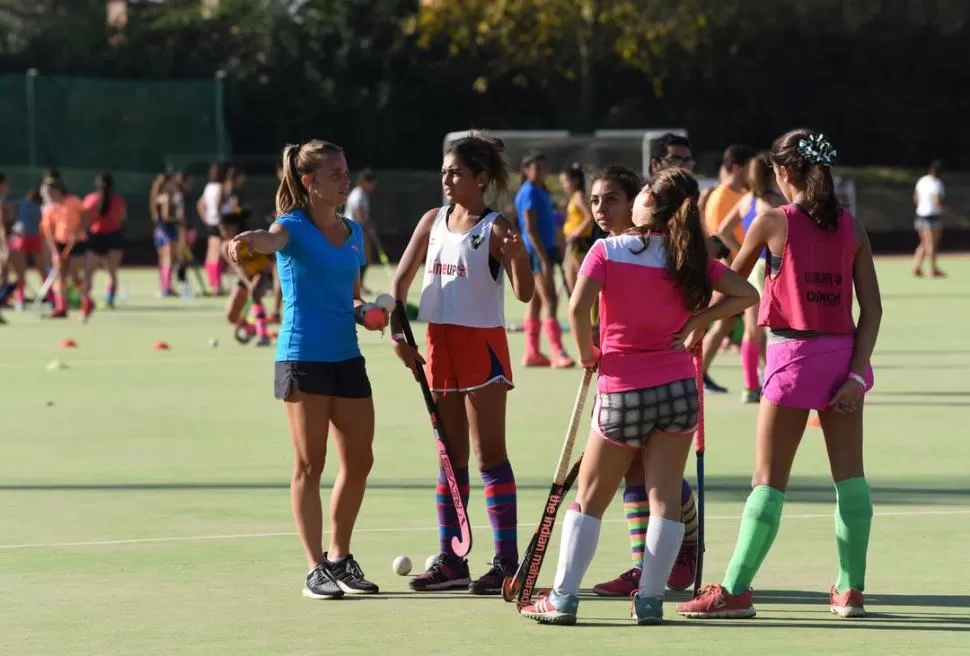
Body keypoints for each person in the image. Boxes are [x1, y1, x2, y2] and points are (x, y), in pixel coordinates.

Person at [520, 168, 758, 626]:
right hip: (676, 390)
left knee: (589, 497)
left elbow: (576, 307)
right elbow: (746, 293)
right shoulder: (688, 257)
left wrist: (590, 353)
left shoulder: (607, 250)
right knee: (665, 497)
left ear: (648, 203)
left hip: (622, 389)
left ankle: (564, 597)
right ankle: (649, 600)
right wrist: (696, 322)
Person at [678, 130, 882, 620]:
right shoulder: (852, 226)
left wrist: (697, 324)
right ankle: (850, 591)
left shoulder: (772, 221)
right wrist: (855, 377)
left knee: (768, 483)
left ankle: (735, 591)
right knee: (850, 480)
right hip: (842, 361)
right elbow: (872, 310)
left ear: (783, 172)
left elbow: (727, 286)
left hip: (791, 361)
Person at [226, 140, 386, 599]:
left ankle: (340, 557)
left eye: (345, 171)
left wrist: (367, 312)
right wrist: (249, 241)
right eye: (334, 173)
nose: (344, 180)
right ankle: (315, 567)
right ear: (309, 182)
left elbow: (352, 295)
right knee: (310, 465)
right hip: (302, 357)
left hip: (346, 357)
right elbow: (269, 241)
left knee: (360, 460)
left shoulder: (352, 232)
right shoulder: (290, 226)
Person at [389, 132, 534, 594]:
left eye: (456, 172)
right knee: (449, 460)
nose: (447, 179)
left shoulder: (495, 227)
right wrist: (397, 334)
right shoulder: (432, 220)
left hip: (481, 347)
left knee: (489, 456)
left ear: (481, 178)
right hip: (438, 346)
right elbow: (399, 283)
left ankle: (507, 564)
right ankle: (452, 560)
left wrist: (520, 259)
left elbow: (525, 293)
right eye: (445, 172)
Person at [592, 158, 708, 599]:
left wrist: (697, 322)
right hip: (621, 371)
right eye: (595, 201)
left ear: (642, 205)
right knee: (636, 473)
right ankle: (645, 565)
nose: (601, 210)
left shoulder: (671, 247)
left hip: (656, 375)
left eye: (614, 200)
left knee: (654, 474)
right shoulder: (605, 246)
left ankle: (677, 548)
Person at [717, 154, 786, 402]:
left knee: (750, 331)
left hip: (754, 266)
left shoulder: (745, 201)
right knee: (779, 327)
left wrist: (742, 248)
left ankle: (749, 386)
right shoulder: (775, 201)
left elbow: (723, 231)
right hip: (772, 268)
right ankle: (776, 379)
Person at [699, 145, 756, 394]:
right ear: (736, 168)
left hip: (741, 267)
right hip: (728, 268)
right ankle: (698, 373)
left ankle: (699, 373)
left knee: (727, 324)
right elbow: (718, 235)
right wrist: (736, 260)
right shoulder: (722, 196)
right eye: (748, 168)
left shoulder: (742, 192)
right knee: (723, 322)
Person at [516, 151, 574, 368]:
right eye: (537, 168)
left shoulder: (541, 191)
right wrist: (544, 259)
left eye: (544, 167)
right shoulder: (529, 191)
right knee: (550, 299)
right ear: (526, 170)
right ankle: (558, 352)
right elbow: (530, 229)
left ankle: (532, 353)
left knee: (537, 301)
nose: (542, 172)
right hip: (536, 252)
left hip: (546, 251)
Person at [41, 178, 93, 320]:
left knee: (74, 275)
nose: (49, 195)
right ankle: (61, 307)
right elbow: (49, 232)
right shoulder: (49, 208)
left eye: (51, 192)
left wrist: (79, 230)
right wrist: (54, 252)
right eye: (47, 193)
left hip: (77, 242)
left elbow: (86, 216)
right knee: (60, 277)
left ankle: (86, 301)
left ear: (58, 190)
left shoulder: (73, 201)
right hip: (60, 243)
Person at [221, 208, 273, 346]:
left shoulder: (250, 239)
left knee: (255, 294)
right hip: (246, 278)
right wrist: (247, 282)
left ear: (234, 226)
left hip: (264, 274)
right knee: (231, 316)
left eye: (224, 229)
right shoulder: (226, 246)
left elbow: (270, 257)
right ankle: (253, 328)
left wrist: (265, 272)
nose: (222, 232)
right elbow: (238, 269)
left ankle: (264, 335)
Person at [84, 173, 126, 308]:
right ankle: (109, 300)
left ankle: (86, 299)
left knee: (89, 271)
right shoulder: (118, 200)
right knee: (111, 271)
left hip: (96, 237)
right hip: (114, 236)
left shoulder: (90, 200)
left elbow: (86, 220)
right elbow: (122, 217)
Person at [7, 188, 44, 310]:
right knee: (42, 269)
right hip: (35, 238)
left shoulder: (20, 203)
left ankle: (20, 300)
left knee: (20, 272)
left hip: (21, 238)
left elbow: (9, 213)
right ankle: (53, 298)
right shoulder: (41, 207)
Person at [560, 163, 593, 294]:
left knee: (579, 280)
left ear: (575, 180)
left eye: (566, 181)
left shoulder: (579, 195)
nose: (564, 185)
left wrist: (576, 233)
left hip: (579, 243)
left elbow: (589, 217)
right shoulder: (574, 196)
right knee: (570, 277)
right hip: (573, 243)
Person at [345, 168, 378, 295]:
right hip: (353, 231)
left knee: (365, 259)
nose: (373, 187)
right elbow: (359, 217)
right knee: (361, 259)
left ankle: (360, 285)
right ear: (365, 182)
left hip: (358, 230)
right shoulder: (357, 195)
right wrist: (369, 230)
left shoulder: (362, 194)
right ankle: (357, 287)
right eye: (372, 183)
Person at [912, 160, 947, 278]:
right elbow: (937, 200)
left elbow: (915, 197)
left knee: (924, 243)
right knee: (932, 244)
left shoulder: (922, 180)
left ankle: (916, 267)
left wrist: (922, 207)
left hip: (920, 215)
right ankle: (933, 270)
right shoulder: (938, 183)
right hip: (932, 216)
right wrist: (946, 212)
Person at [198, 163, 227, 295]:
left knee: (211, 253)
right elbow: (219, 205)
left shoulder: (208, 187)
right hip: (218, 222)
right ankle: (217, 286)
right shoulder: (220, 188)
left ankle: (212, 283)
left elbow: (201, 204)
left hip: (210, 222)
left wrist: (205, 218)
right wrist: (220, 222)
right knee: (218, 255)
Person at [150, 173, 178, 297]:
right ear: (167, 183)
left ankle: (163, 286)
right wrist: (178, 219)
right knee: (169, 260)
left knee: (162, 260)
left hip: (158, 231)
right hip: (167, 230)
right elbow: (167, 217)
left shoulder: (156, 197)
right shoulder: (167, 197)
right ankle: (167, 288)